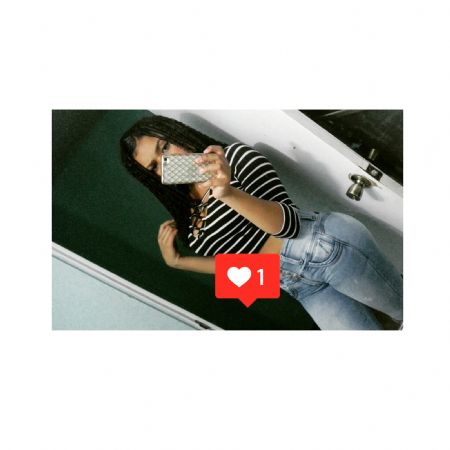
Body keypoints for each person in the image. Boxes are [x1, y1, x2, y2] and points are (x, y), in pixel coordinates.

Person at [120, 115, 403, 330]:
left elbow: (290, 227)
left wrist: (227, 192)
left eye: (165, 146)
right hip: (298, 286)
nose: (166, 161)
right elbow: (247, 271)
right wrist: (178, 262)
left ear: (175, 132)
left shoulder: (235, 159)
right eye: (155, 166)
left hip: (325, 248)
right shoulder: (189, 212)